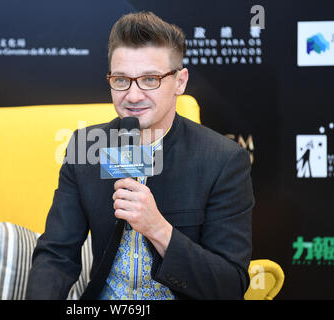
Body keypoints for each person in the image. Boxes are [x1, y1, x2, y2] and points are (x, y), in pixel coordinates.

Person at [26, 11, 254, 300]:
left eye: (149, 79)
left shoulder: (222, 160)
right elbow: (56, 256)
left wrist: (157, 228)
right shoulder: (87, 146)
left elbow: (229, 285)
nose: (132, 96)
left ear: (180, 82)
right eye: (121, 80)